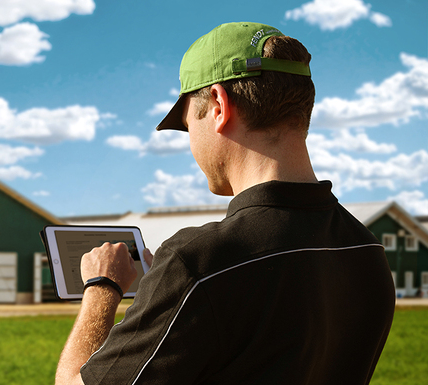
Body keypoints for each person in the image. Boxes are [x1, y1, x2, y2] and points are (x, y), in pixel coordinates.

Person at [56, 22, 395, 385]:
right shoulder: (366, 248)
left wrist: (101, 288)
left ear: (218, 105)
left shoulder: (199, 262)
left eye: (188, 125)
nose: (191, 145)